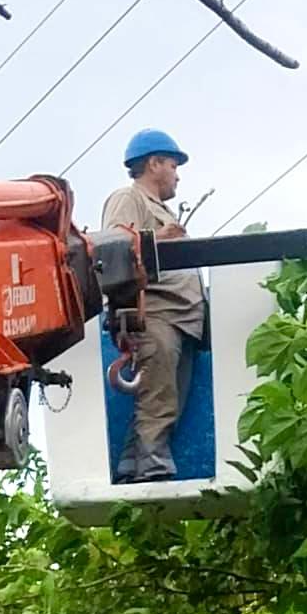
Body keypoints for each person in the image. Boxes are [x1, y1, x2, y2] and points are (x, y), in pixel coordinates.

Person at [100, 123, 204, 484]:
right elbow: (111, 250)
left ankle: (132, 465)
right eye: (173, 165)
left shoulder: (161, 209)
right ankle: (153, 468)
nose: (177, 175)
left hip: (182, 318)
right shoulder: (128, 198)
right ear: (154, 163)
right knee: (160, 399)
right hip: (156, 314)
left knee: (165, 396)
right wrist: (159, 237)